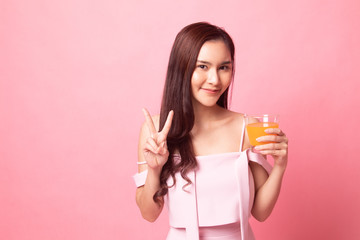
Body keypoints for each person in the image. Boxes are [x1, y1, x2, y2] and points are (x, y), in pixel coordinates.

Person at [133, 22, 288, 240]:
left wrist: (280, 165)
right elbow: (149, 214)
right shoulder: (155, 132)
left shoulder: (246, 127)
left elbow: (261, 212)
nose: (215, 80)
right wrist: (155, 169)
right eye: (203, 67)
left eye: (224, 67)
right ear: (182, 68)